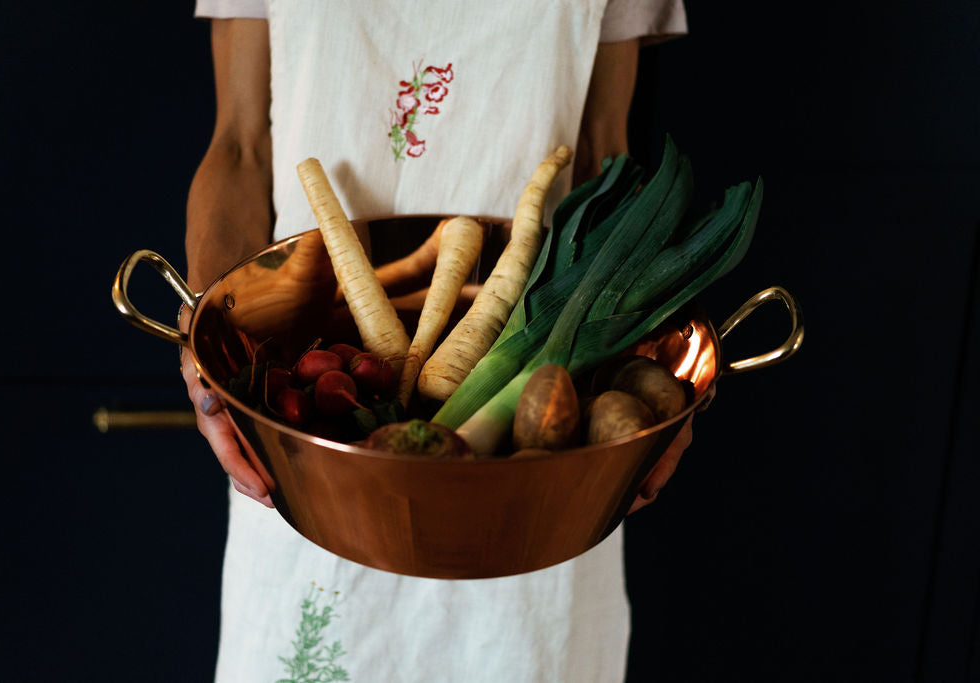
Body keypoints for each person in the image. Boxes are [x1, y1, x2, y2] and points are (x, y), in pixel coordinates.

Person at [180, 1, 690, 680]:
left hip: (539, 447)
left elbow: (604, 150)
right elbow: (240, 146)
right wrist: (210, 352)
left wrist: (654, 386)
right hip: (314, 422)